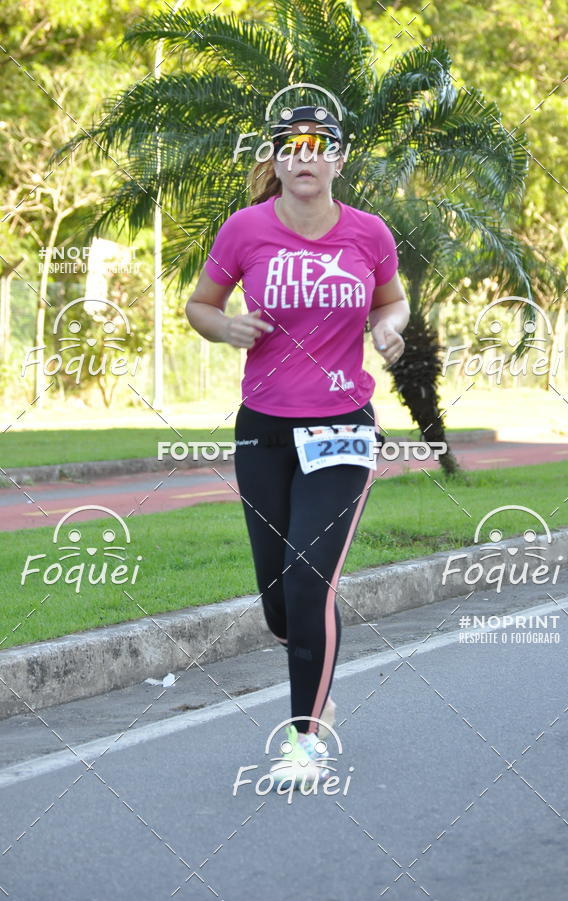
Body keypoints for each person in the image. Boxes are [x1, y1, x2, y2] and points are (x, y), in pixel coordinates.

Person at [185, 104, 409, 791]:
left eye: (318, 146)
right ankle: (317, 673)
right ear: (277, 160)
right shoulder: (244, 229)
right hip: (264, 428)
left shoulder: (369, 232)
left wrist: (388, 328)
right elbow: (200, 305)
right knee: (280, 600)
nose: (304, 157)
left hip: (341, 427)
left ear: (338, 159)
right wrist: (225, 328)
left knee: (310, 578)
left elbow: (392, 300)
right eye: (291, 147)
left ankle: (305, 739)